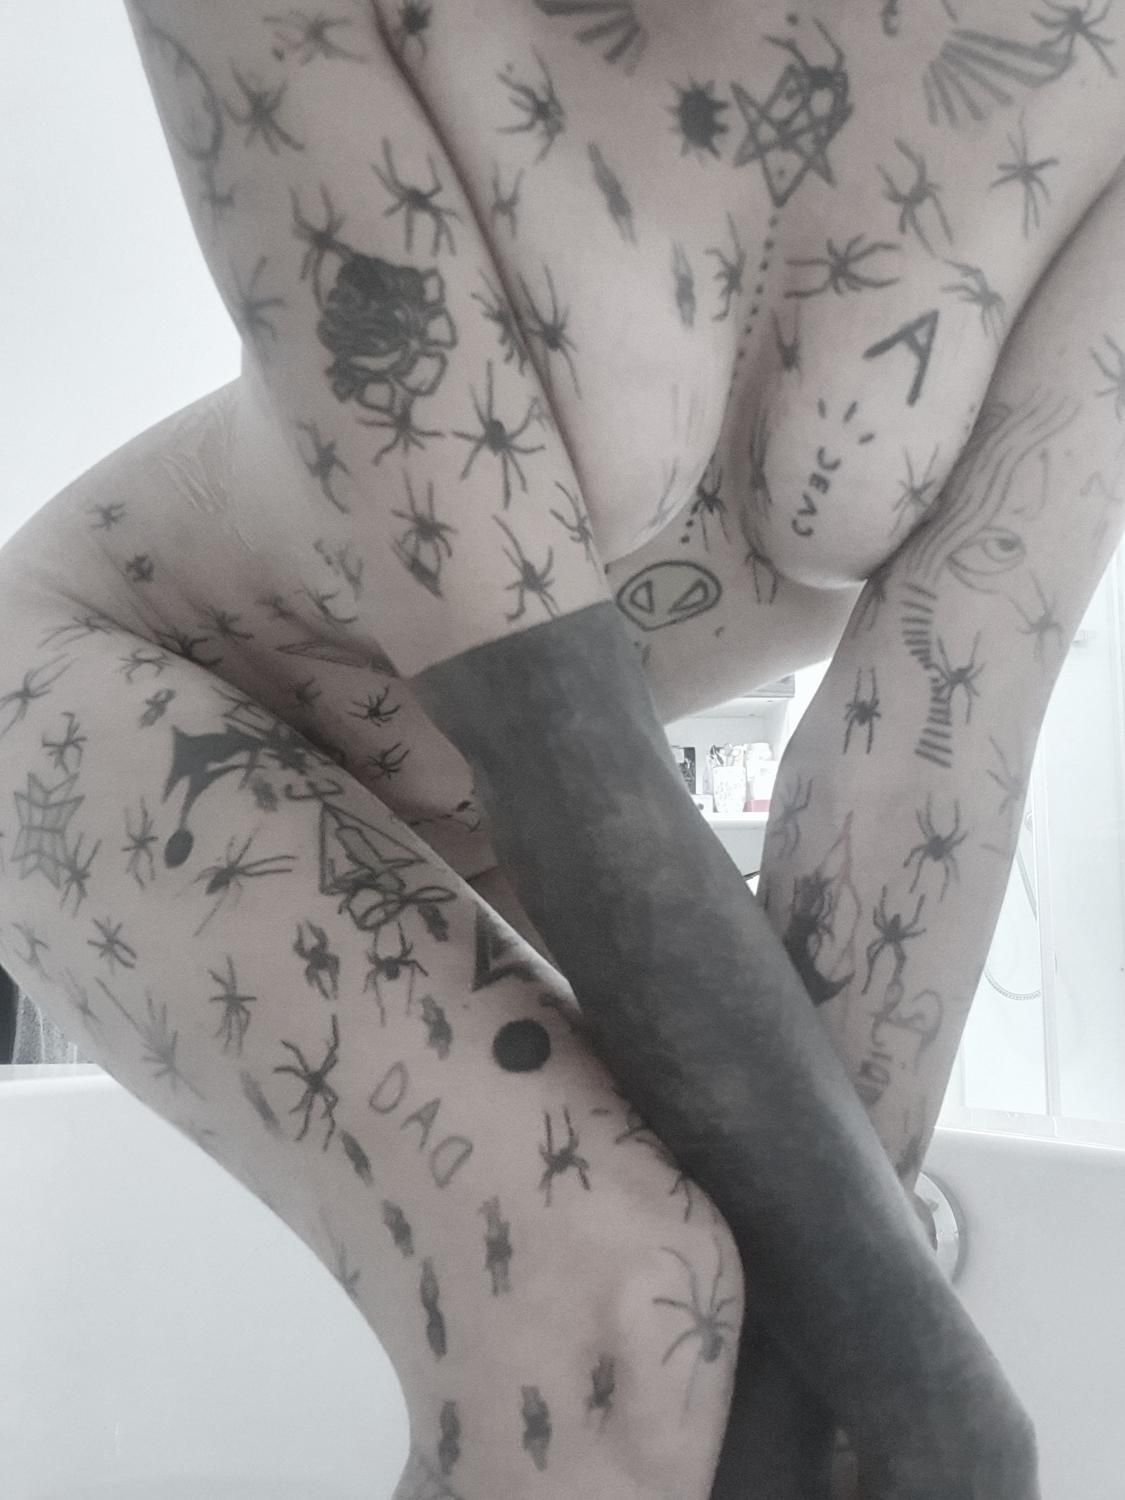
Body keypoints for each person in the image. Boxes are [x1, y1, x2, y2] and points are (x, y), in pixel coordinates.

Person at [1, 0, 1122, 1494]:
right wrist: (939, 1400)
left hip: (524, 831)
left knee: (768, 1365)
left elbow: (936, 737)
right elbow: (561, 749)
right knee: (621, 1302)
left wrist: (848, 1388)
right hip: (119, 682)